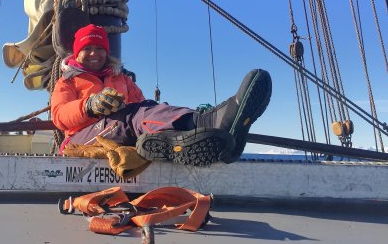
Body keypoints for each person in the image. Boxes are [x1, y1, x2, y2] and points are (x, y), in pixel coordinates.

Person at [50, 24, 272, 166]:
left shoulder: (122, 78)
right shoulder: (67, 81)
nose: (94, 53)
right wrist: (89, 105)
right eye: (87, 48)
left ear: (107, 52)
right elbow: (59, 116)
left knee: (144, 107)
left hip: (120, 129)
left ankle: (195, 137)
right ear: (77, 53)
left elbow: (143, 109)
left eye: (99, 48)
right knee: (129, 116)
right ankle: (205, 123)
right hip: (80, 140)